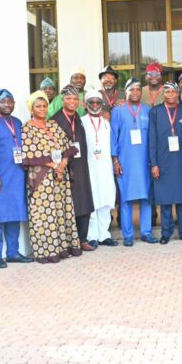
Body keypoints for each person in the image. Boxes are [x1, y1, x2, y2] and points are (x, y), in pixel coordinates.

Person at [22, 91, 81, 263]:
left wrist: (63, 163)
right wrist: (55, 165)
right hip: (42, 179)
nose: (42, 109)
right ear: (31, 109)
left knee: (61, 212)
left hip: (59, 177)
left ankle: (62, 248)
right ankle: (46, 251)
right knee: (44, 214)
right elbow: (31, 153)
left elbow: (66, 146)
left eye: (44, 106)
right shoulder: (28, 128)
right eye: (38, 106)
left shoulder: (53, 125)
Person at [0, 89, 32, 268]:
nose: (7, 104)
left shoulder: (17, 122)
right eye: (3, 102)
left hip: (16, 175)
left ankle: (12, 252)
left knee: (14, 214)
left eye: (10, 101)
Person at [111, 79, 157, 246]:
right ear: (126, 91)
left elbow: (153, 138)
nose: (136, 92)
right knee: (125, 199)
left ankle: (146, 232)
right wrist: (115, 160)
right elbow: (113, 137)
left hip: (145, 162)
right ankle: (128, 235)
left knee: (146, 198)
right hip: (125, 162)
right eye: (132, 90)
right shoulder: (118, 111)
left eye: (138, 89)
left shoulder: (148, 110)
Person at [51, 85, 96, 252]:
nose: (72, 101)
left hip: (81, 165)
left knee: (84, 202)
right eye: (68, 98)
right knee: (68, 205)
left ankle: (82, 239)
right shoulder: (55, 120)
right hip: (65, 167)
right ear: (62, 100)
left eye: (75, 99)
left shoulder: (78, 117)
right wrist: (59, 166)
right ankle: (70, 242)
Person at [148, 83, 182, 244]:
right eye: (167, 91)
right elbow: (152, 139)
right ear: (163, 93)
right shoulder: (155, 112)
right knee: (165, 198)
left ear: (178, 93)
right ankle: (166, 232)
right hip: (162, 161)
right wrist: (154, 164)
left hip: (181, 161)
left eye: (174, 91)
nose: (171, 94)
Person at [83, 90, 118, 247]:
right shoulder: (81, 122)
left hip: (105, 167)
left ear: (102, 104)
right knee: (92, 201)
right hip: (89, 167)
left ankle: (104, 234)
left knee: (105, 199)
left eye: (98, 102)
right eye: (92, 102)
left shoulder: (106, 123)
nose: (95, 105)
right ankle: (92, 236)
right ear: (86, 104)